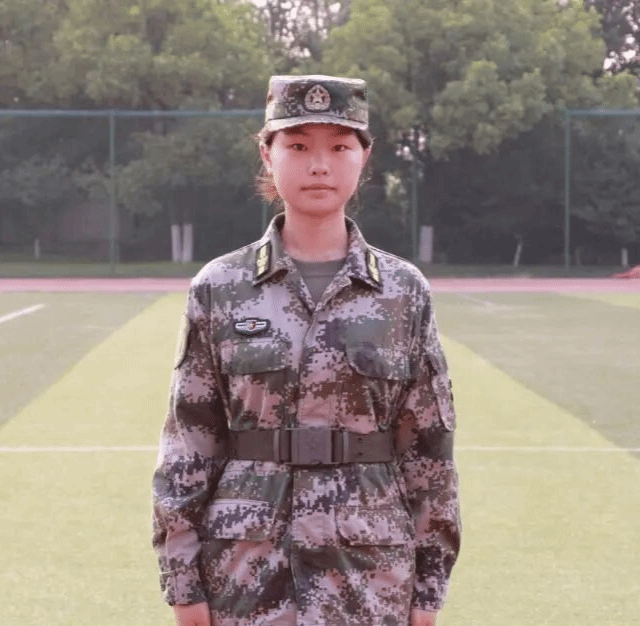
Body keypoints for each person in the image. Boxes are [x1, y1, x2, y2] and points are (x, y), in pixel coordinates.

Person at [152, 74, 461, 626]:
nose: (319, 165)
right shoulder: (220, 287)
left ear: (364, 157)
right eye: (297, 146)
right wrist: (183, 584)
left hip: (370, 575)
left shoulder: (403, 292)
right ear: (267, 154)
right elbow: (189, 442)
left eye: (339, 147)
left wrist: (429, 591)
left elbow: (429, 452)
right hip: (245, 575)